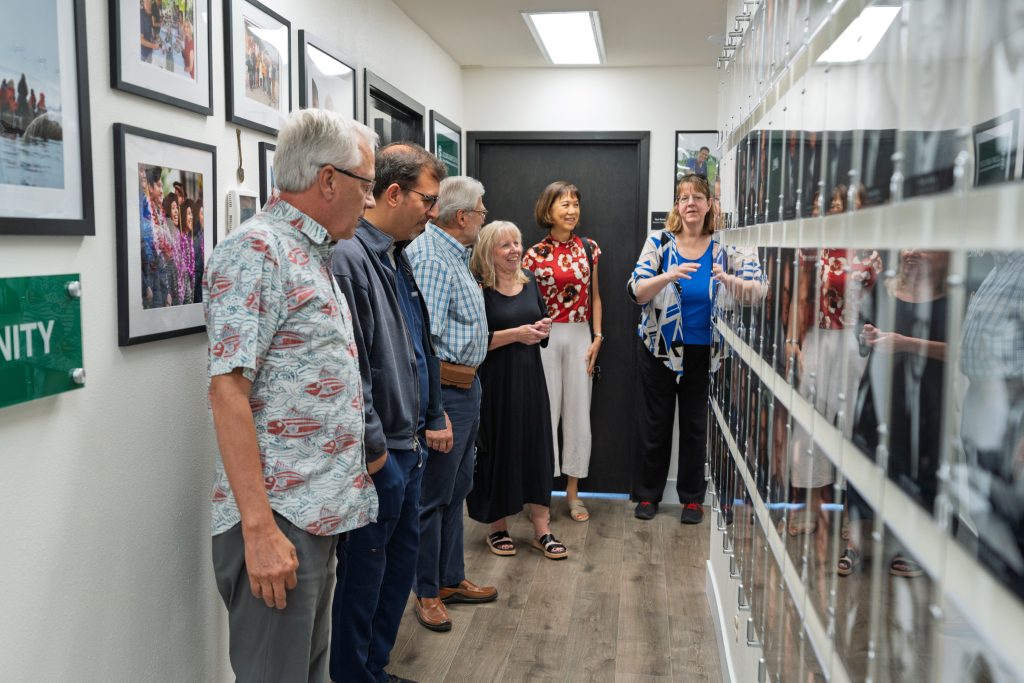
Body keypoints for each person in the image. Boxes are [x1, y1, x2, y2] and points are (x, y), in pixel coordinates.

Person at [204, 109, 379, 683]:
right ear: (329, 180)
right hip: (277, 523)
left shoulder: (314, 254)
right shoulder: (257, 250)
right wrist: (258, 531)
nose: (371, 201)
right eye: (366, 185)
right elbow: (227, 390)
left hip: (317, 518)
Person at [328, 142, 452, 683]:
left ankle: (374, 670)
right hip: (382, 459)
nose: (434, 212)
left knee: (393, 576)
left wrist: (429, 416)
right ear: (394, 192)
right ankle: (355, 675)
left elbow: (414, 346)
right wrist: (376, 451)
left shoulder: (394, 255)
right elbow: (353, 363)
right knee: (364, 581)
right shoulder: (352, 255)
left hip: (408, 447)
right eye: (428, 200)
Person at [628, 174, 763, 523]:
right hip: (659, 348)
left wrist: (731, 280)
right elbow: (637, 290)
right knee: (654, 424)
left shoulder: (725, 247)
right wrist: (668, 276)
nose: (690, 203)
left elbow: (757, 292)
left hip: (708, 353)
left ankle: (692, 499)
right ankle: (647, 496)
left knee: (695, 426)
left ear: (709, 205)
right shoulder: (659, 242)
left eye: (697, 197)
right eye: (683, 197)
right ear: (677, 205)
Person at [407, 176, 497, 632]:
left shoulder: (455, 255)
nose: (484, 217)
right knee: (432, 495)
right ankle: (425, 591)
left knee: (457, 489)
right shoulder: (428, 258)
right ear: (462, 216)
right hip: (447, 393)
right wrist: (434, 409)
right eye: (481, 210)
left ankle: (449, 578)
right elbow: (425, 344)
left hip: (468, 388)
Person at [468, 221, 567, 560]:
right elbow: (474, 344)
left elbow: (539, 322)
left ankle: (543, 529)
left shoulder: (530, 283)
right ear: (488, 252)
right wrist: (517, 334)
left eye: (517, 243)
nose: (514, 250)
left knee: (536, 449)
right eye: (505, 245)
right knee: (498, 449)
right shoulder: (478, 289)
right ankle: (497, 527)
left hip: (530, 382)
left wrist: (542, 327)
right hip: (495, 385)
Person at [521, 181, 603, 523]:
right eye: (563, 204)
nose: (571, 211)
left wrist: (598, 336)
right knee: (544, 415)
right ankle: (539, 495)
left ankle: (572, 493)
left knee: (578, 414)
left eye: (575, 204)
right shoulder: (533, 255)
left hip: (581, 335)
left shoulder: (589, 249)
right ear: (548, 210)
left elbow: (596, 296)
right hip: (546, 337)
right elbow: (524, 302)